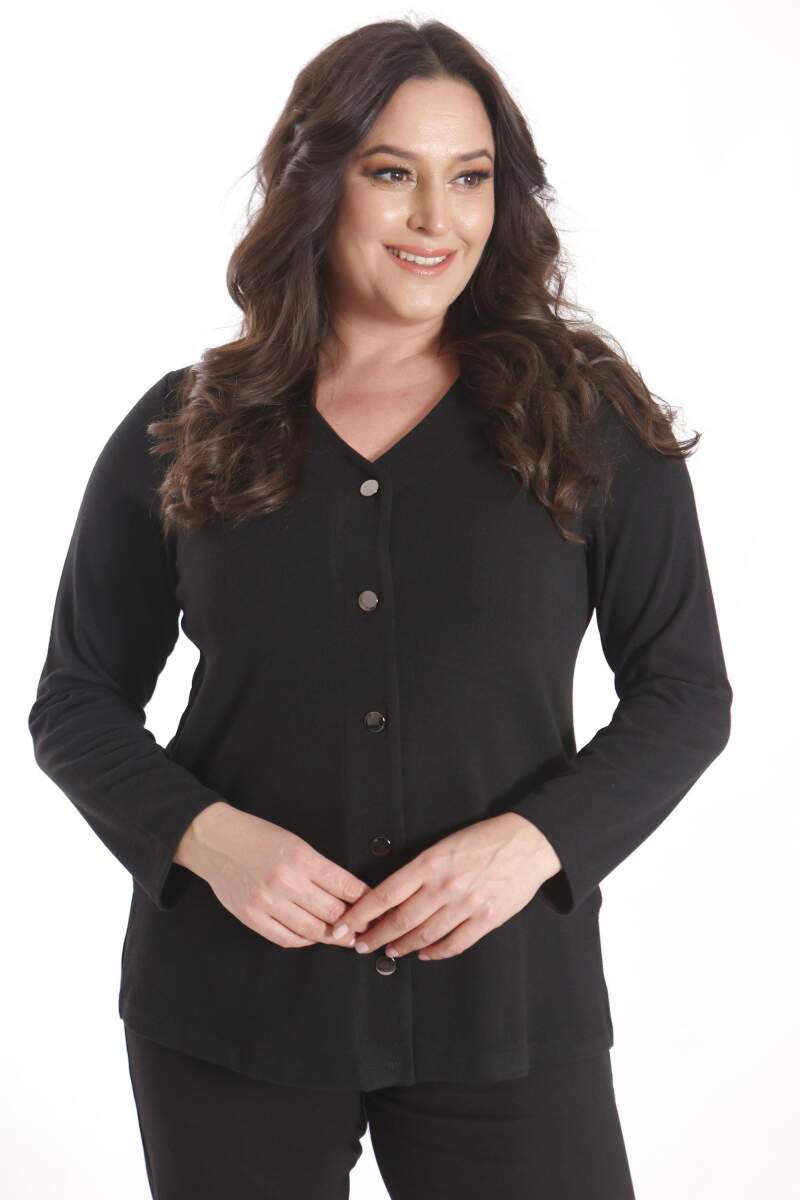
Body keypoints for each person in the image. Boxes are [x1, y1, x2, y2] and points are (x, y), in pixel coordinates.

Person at [28, 18, 732, 1200]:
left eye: (470, 177)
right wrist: (210, 841)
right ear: (319, 183)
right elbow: (76, 700)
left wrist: (530, 847)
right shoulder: (185, 424)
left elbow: (683, 694)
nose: (436, 218)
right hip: (230, 1011)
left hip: (506, 1004)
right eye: (392, 173)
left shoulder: (583, 419)